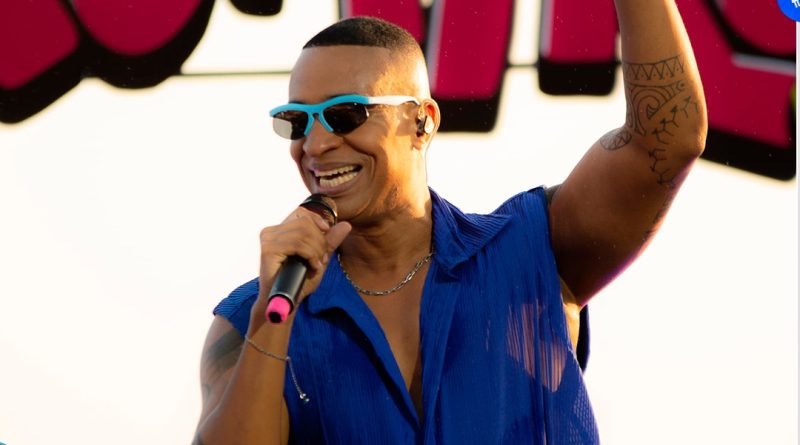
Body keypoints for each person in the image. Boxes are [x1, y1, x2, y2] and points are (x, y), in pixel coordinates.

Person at [193, 4, 707, 443]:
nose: (317, 143)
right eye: (297, 121)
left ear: (423, 122)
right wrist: (270, 322)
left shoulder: (532, 250)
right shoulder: (253, 315)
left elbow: (666, 139)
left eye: (347, 114)